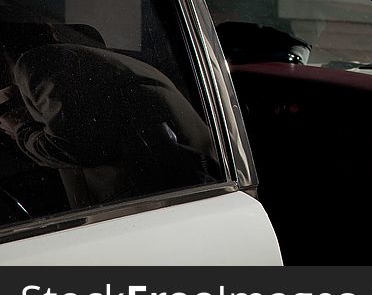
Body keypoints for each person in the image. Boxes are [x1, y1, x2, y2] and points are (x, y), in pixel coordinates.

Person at [0, 22, 218, 208]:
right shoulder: (76, 62)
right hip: (170, 193)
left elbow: (76, 148)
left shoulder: (37, 62)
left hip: (151, 199)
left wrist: (20, 128)